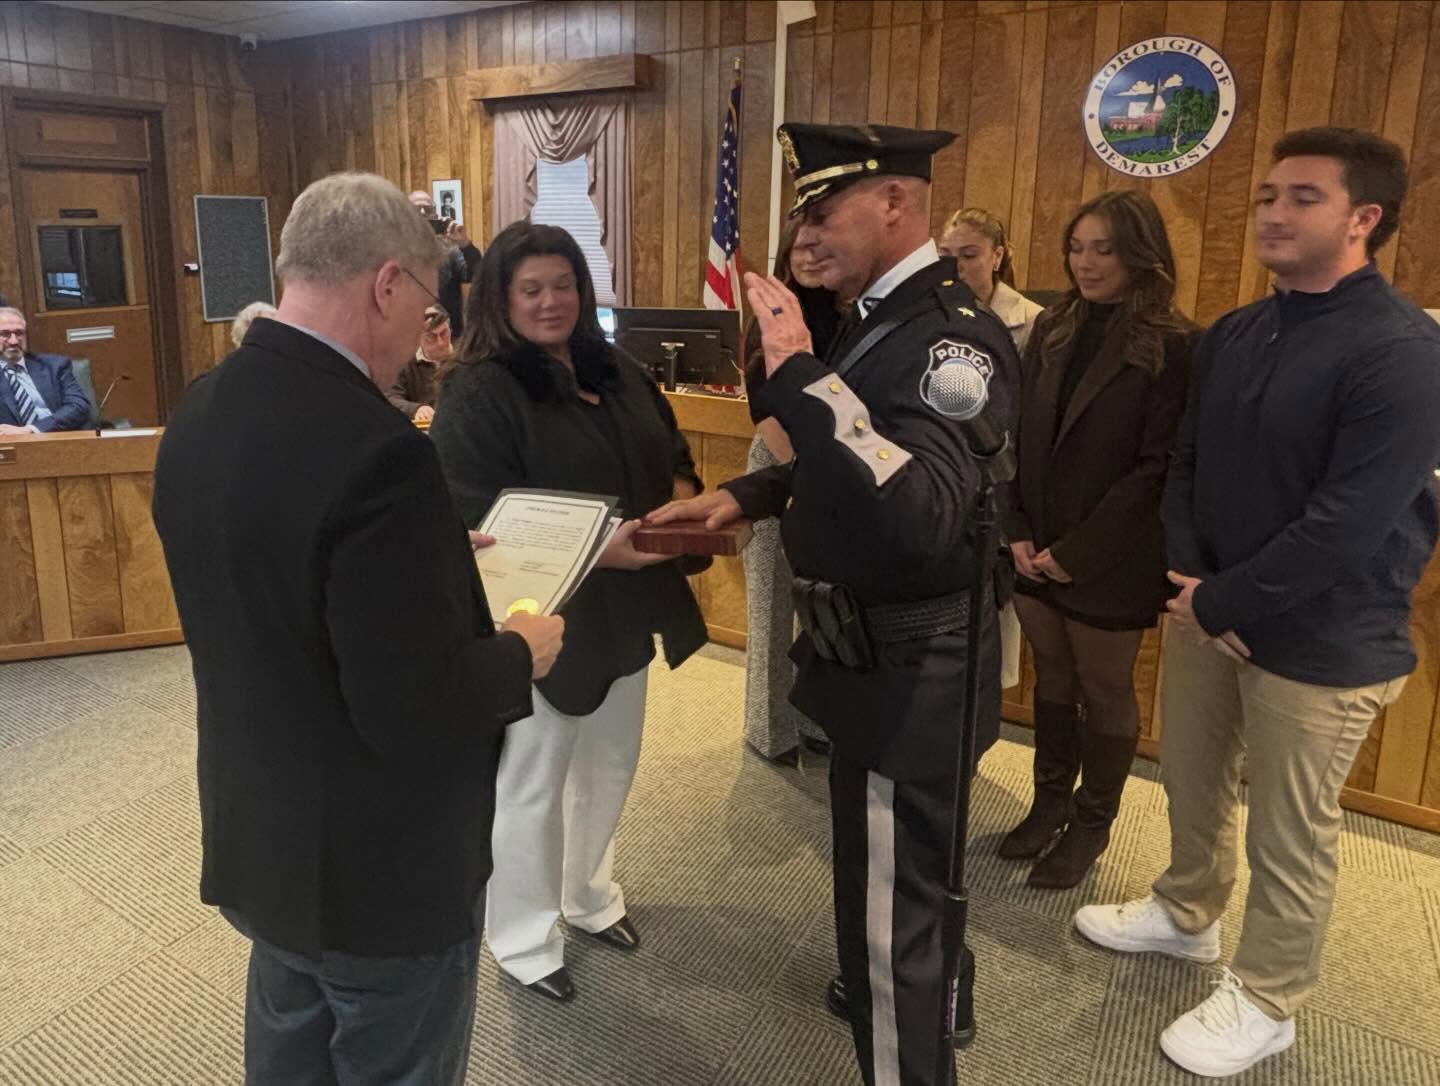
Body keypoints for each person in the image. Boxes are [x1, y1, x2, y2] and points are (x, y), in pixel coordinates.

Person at [152, 172, 564, 1086]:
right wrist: (517, 655)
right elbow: (411, 708)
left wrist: (420, 555)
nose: (424, 339)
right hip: (379, 876)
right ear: (386, 283)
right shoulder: (381, 451)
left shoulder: (202, 409)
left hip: (262, 834)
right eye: (425, 310)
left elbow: (273, 563)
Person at [650, 123, 1021, 1086]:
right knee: (882, 883)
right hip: (863, 658)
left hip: (913, 670)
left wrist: (803, 369)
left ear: (895, 204)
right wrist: (746, 496)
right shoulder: (874, 318)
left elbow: (925, 514)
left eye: (823, 210)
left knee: (899, 927)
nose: (804, 235)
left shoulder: (949, 339)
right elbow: (853, 463)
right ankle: (918, 991)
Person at [1075, 128, 1440, 1078]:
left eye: (1302, 198)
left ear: (1365, 219)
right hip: (1210, 612)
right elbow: (1189, 462)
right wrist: (1197, 588)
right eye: (1268, 194)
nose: (1273, 211)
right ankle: (1187, 912)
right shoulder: (1239, 329)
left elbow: (1348, 524)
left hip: (1322, 637)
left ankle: (1270, 997)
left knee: (1291, 830)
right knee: (1191, 779)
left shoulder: (1404, 352)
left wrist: (1226, 599)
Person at [429, 221, 708, 1005]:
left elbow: (673, 453)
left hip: (629, 606)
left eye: (564, 286)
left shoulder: (614, 368)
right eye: (532, 289)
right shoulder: (478, 388)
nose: (552, 302)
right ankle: (522, 938)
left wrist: (684, 508)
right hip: (538, 619)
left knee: (610, 764)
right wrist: (600, 549)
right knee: (532, 782)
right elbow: (471, 512)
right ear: (501, 300)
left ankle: (588, 897)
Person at [1000, 191, 1194, 890]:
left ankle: (1090, 824)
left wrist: (1074, 552)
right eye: (1077, 248)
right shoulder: (1052, 326)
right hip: (1034, 541)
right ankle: (1047, 803)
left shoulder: (1173, 342)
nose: (1086, 262)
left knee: (1105, 688)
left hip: (1111, 554)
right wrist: (1017, 529)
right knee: (1052, 678)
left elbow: (1156, 466)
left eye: (1103, 249)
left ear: (1139, 254)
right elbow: (1019, 435)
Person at [740, 217, 841, 762]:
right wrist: (808, 470)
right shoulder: (770, 315)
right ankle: (770, 729)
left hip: (833, 471)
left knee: (819, 608)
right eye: (798, 247)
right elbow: (767, 408)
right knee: (773, 604)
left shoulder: (846, 312)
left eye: (818, 246)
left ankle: (815, 721)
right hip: (779, 464)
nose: (808, 256)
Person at [938, 207, 1044, 692]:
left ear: (998, 255)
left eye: (970, 255)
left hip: (997, 480)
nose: (957, 266)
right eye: (946, 255)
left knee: (990, 625)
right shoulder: (930, 311)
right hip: (939, 477)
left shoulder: (1032, 322)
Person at [0, 306, 92, 434]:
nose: (14, 341)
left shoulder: (54, 366)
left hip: (60, 439)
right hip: (12, 447)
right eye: (5, 334)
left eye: (19, 333)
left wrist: (31, 429)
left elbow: (79, 406)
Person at [409, 189, 482, 336]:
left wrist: (464, 244)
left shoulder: (451, 250)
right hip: (408, 336)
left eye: (427, 209)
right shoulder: (394, 249)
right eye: (416, 209)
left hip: (448, 336)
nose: (422, 213)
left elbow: (477, 274)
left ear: (435, 214)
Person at [388, 303, 451, 422]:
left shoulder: (462, 359)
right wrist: (416, 409)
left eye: (444, 333)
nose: (440, 343)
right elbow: (390, 398)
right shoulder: (403, 361)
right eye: (431, 337)